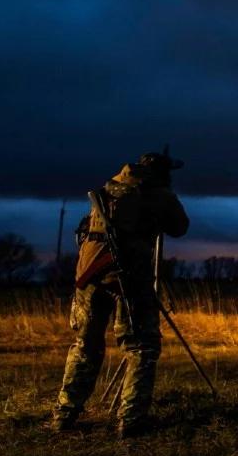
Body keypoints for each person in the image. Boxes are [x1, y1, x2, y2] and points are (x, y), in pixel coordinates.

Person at [51, 151, 189, 437]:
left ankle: (64, 414)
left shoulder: (109, 189)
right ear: (163, 173)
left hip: (89, 276)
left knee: (85, 345)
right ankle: (131, 419)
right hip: (130, 279)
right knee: (142, 347)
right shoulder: (158, 194)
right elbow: (179, 227)